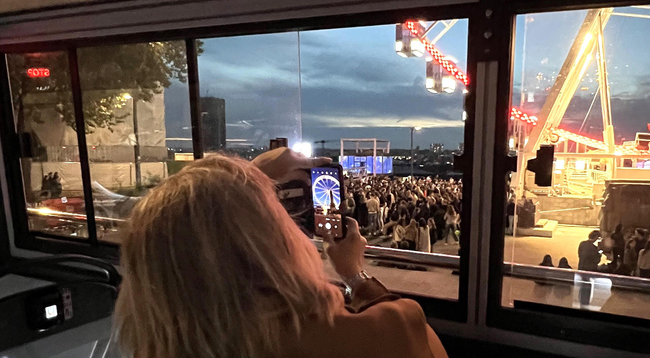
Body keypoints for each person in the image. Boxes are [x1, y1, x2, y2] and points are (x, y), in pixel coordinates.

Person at [114, 152, 448, 358]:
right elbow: (416, 334)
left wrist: (246, 179)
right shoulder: (378, 332)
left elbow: (190, 222)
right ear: (265, 243)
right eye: (278, 211)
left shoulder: (160, 341)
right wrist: (354, 275)